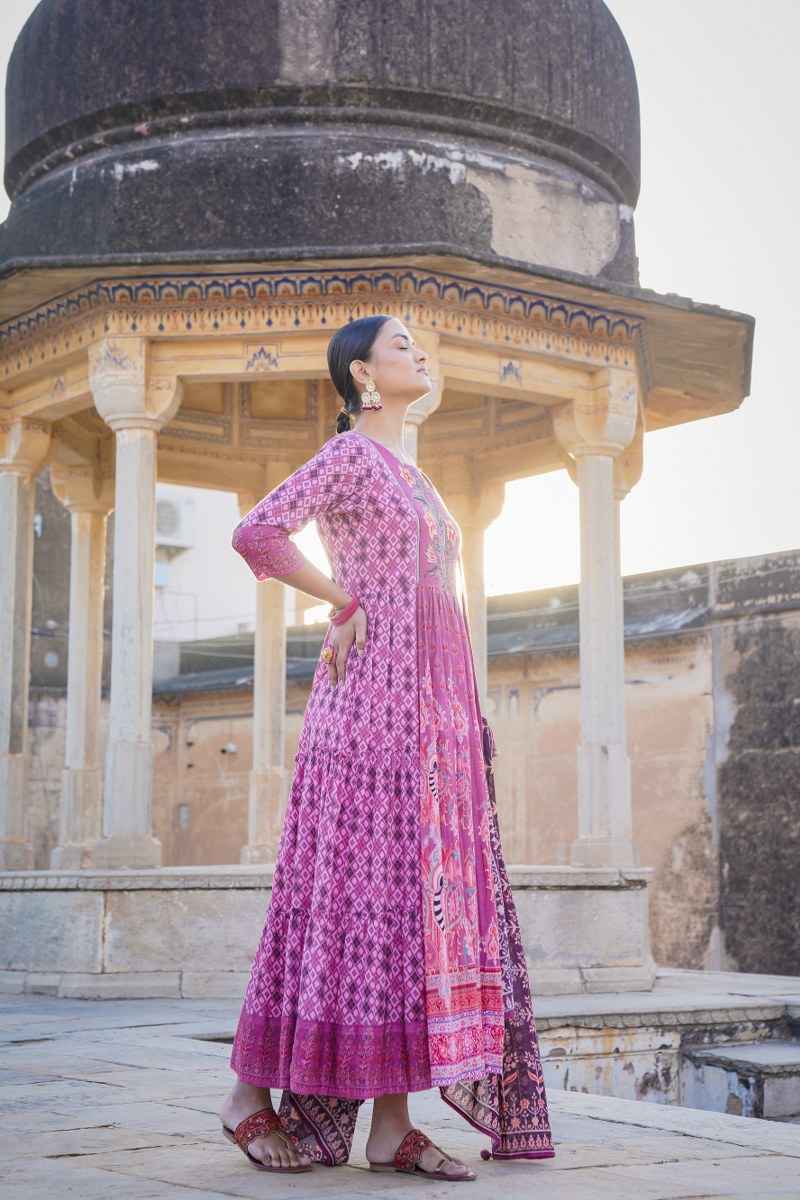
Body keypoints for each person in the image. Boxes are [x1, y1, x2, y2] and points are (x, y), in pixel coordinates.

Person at [220, 314, 555, 1180]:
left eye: (420, 344)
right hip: (370, 706)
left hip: (432, 717)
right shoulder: (348, 459)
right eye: (403, 344)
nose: (421, 352)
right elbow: (258, 533)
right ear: (364, 375)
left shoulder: (416, 474)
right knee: (338, 896)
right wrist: (340, 601)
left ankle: (389, 1127)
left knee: (406, 911)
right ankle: (247, 1098)